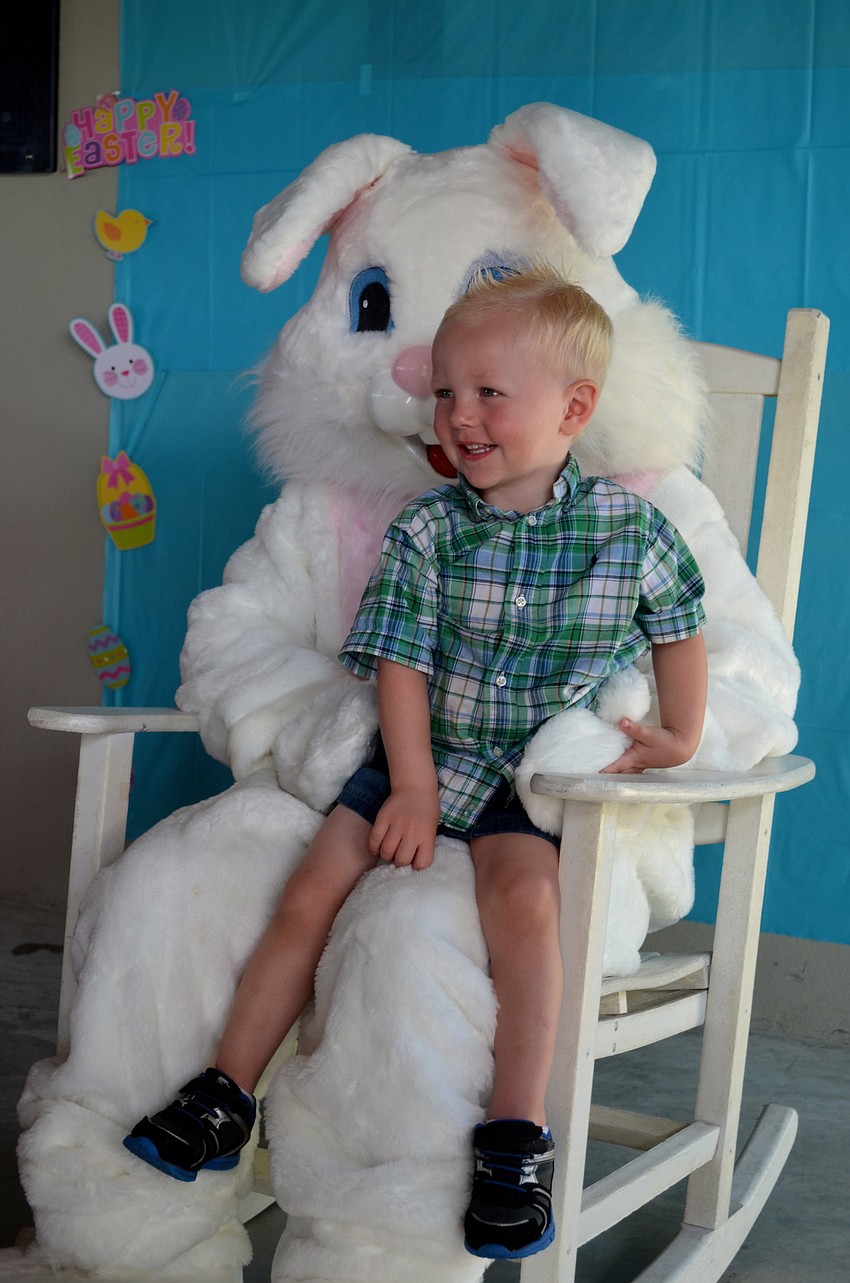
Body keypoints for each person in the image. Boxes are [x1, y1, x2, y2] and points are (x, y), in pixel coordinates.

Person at [123, 263, 707, 1261]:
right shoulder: (427, 528)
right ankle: (225, 1089)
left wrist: (682, 733)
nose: (459, 414)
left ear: (573, 408)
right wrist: (412, 784)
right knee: (311, 887)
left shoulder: (629, 528)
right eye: (445, 392)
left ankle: (513, 1134)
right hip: (424, 752)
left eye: (489, 392)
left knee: (525, 904)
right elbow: (398, 665)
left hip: (530, 777)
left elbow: (681, 630)